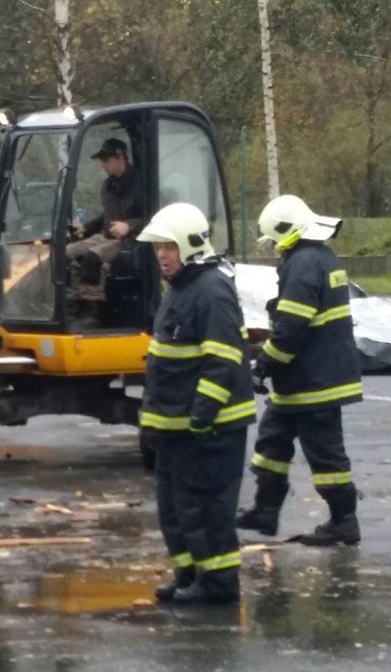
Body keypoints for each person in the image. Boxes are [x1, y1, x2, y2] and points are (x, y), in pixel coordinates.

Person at [138, 203, 256, 605]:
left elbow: (222, 360)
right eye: (158, 249)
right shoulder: (181, 291)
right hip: (177, 427)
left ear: (189, 246)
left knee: (207, 508)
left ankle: (219, 585)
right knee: (175, 508)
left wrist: (203, 416)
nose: (163, 256)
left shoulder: (210, 291)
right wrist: (151, 423)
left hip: (209, 429)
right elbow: (164, 363)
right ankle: (189, 574)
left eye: (169, 247)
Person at [237, 194, 362, 546]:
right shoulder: (319, 258)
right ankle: (265, 510)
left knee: (325, 455)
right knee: (271, 442)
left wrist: (262, 365)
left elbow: (291, 328)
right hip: (304, 379)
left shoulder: (303, 264)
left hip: (315, 383)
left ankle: (344, 522)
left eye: (274, 240)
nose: (274, 247)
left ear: (286, 232)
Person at [66, 137, 144, 325]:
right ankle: (72, 303)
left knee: (93, 256)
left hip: (127, 240)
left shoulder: (141, 184)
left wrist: (129, 226)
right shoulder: (108, 186)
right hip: (105, 236)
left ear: (120, 157)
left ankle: (92, 309)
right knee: (66, 253)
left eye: (106, 160)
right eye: (102, 161)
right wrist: (87, 227)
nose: (103, 165)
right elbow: (106, 216)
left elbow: (152, 215)